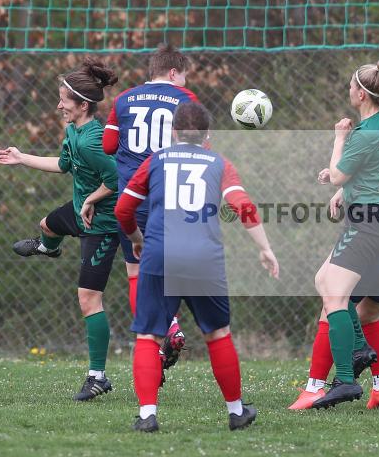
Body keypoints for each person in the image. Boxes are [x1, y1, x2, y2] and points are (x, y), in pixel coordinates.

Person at [115, 101, 279, 432]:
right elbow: (242, 206)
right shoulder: (219, 163)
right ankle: (236, 411)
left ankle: (147, 416)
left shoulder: (155, 160)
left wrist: (136, 238)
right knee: (217, 334)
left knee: (149, 335)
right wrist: (265, 248)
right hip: (205, 259)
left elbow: (123, 209)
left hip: (160, 254)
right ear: (208, 136)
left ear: (173, 132)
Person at [0, 58, 121, 401]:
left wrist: (90, 200)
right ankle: (49, 247)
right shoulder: (73, 132)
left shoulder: (94, 140)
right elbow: (64, 165)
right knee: (47, 225)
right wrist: (22, 157)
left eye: (64, 99)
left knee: (88, 300)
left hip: (102, 224)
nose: (58, 105)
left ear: (83, 104)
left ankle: (98, 377)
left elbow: (116, 180)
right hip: (81, 210)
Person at [288, 102, 379, 410]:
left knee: (331, 302)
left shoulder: (376, 148)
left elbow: (355, 181)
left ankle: (315, 387)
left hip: (371, 239)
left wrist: (339, 187)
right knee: (371, 314)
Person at [310, 60, 379, 409]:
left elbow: (339, 175)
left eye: (350, 87)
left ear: (361, 94)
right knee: (326, 282)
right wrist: (343, 185)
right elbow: (365, 172)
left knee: (335, 296)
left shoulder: (362, 133)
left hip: (371, 221)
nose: (348, 91)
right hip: (376, 216)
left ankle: (347, 379)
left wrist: (339, 139)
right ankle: (360, 348)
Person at [103, 43, 198, 368]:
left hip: (134, 195)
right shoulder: (187, 101)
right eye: (184, 75)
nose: (185, 82)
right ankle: (170, 326)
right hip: (172, 195)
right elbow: (201, 146)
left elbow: (108, 145)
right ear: (174, 72)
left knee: (136, 272)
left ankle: (166, 331)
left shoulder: (123, 98)